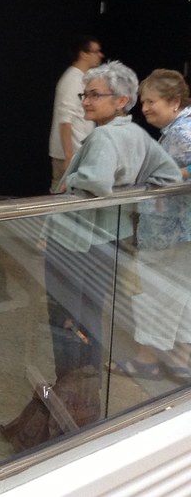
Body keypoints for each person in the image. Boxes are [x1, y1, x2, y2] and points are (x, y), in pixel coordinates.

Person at [44, 62, 179, 424]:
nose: (86, 101)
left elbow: (98, 183)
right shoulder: (136, 135)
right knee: (91, 317)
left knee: (66, 319)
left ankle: (70, 392)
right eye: (84, 94)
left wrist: (77, 185)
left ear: (121, 101)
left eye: (95, 95)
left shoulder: (104, 137)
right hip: (113, 238)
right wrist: (131, 194)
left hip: (76, 240)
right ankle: (86, 395)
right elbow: (167, 175)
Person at [113, 69, 191, 381]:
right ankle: (181, 360)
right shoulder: (182, 127)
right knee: (181, 293)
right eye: (143, 101)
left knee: (155, 293)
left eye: (151, 101)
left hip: (168, 231)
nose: (144, 108)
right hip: (179, 231)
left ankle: (147, 358)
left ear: (174, 102)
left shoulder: (181, 134)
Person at [49, 35, 105, 191]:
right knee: (62, 199)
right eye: (96, 51)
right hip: (72, 154)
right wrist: (68, 156)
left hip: (77, 152)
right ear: (84, 54)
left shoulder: (81, 78)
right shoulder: (73, 80)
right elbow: (65, 118)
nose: (100, 55)